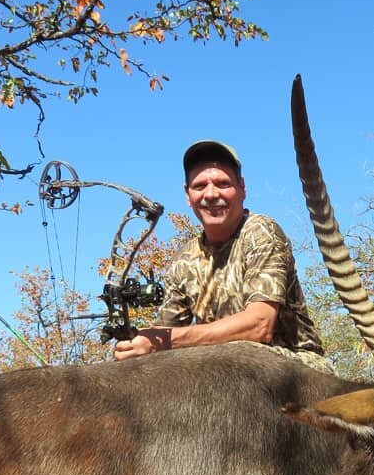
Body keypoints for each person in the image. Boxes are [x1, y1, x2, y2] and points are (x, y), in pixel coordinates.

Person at [113, 139, 332, 373]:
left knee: (240, 357)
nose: (211, 194)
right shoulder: (183, 260)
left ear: (242, 188)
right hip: (225, 371)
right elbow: (165, 336)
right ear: (188, 195)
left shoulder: (261, 232)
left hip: (297, 369)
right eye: (199, 186)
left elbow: (260, 326)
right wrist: (138, 347)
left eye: (222, 183)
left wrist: (162, 341)